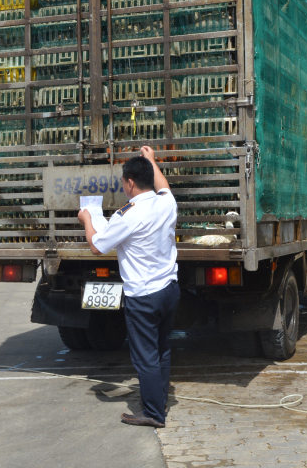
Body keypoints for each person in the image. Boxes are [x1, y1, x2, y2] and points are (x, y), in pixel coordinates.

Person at [77, 146, 179, 428]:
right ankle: (160, 401)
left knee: (145, 356)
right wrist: (151, 161)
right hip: (169, 289)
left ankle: (154, 414)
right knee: (162, 349)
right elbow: (164, 185)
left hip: (144, 296)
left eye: (123, 182)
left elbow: (97, 246)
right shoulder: (166, 202)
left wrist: (87, 220)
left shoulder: (128, 214)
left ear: (130, 182)